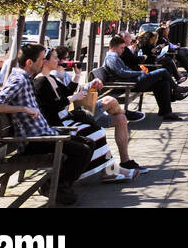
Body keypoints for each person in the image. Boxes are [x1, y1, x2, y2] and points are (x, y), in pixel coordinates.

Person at [0, 43, 94, 204]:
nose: (44, 62)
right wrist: (23, 108)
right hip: (34, 142)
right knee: (82, 151)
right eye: (41, 59)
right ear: (30, 63)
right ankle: (56, 187)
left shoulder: (25, 78)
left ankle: (58, 185)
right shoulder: (19, 80)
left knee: (88, 144)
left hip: (45, 135)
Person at [32, 47, 130, 181]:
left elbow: (67, 92)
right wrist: (74, 98)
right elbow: (54, 106)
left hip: (66, 118)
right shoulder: (40, 81)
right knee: (96, 131)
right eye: (55, 58)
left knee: (98, 129)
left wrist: (77, 75)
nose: (58, 61)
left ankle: (109, 170)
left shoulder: (50, 78)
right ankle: (108, 170)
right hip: (59, 123)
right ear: (45, 61)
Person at [103, 35, 180, 119]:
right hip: (129, 84)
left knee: (163, 83)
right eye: (121, 48)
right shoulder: (111, 58)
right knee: (163, 71)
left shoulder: (114, 57)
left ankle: (166, 112)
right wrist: (139, 73)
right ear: (114, 48)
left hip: (131, 82)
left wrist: (138, 73)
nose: (123, 50)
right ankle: (176, 88)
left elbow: (124, 71)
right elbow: (122, 73)